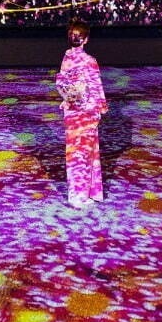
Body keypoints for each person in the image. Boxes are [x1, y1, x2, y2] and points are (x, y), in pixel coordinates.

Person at [55, 19, 107, 207]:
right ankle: (79, 196)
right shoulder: (89, 62)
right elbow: (96, 87)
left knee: (76, 153)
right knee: (84, 154)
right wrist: (100, 109)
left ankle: (84, 193)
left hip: (71, 111)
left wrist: (69, 99)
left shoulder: (66, 58)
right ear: (85, 40)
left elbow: (61, 84)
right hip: (86, 112)